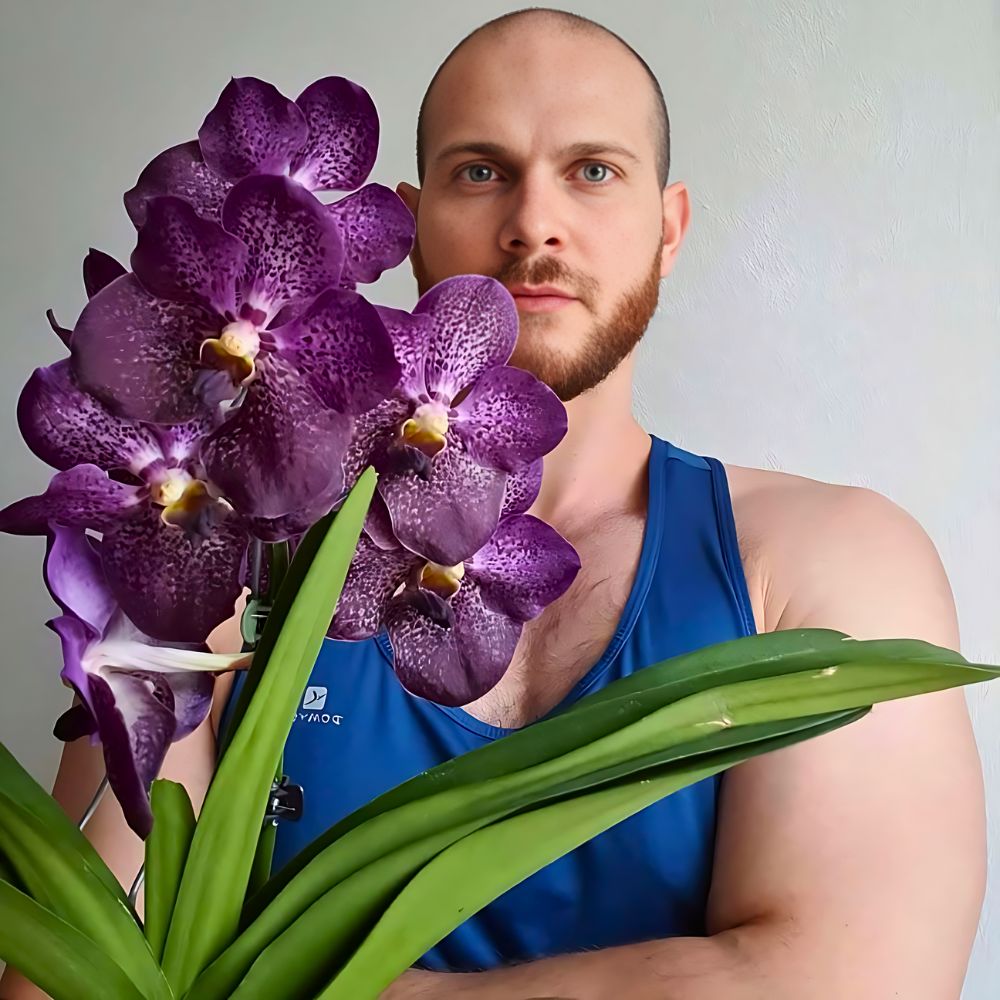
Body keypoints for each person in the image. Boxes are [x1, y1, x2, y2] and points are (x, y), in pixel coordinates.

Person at [0, 8, 986, 1000]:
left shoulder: (826, 561)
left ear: (669, 226)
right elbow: (74, 970)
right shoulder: (248, 556)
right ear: (400, 220)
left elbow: (859, 979)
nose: (533, 222)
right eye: (480, 170)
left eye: (593, 169)